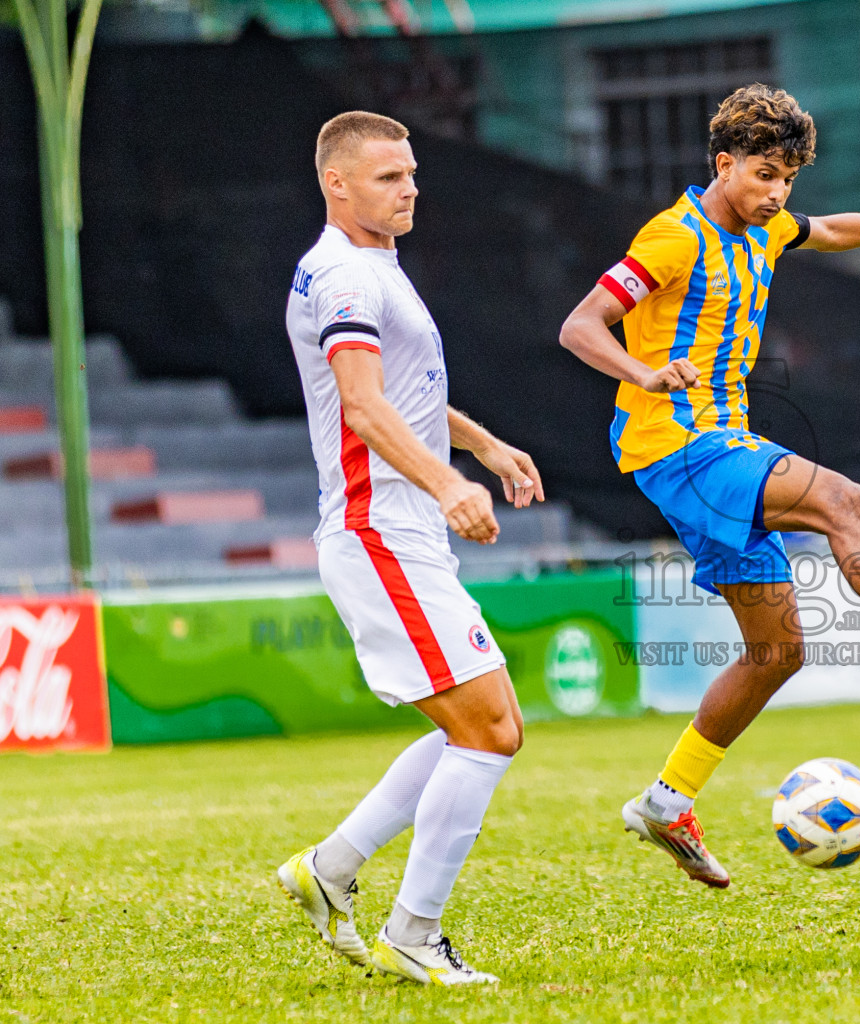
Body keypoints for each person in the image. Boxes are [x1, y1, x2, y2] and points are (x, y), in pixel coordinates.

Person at [559, 84, 860, 889]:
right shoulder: (674, 237)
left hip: (712, 447)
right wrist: (643, 372)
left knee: (778, 650)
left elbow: (834, 229)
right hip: (678, 443)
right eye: (764, 175)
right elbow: (580, 325)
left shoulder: (767, 226)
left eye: (787, 179)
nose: (777, 194)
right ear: (724, 164)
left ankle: (666, 800)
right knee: (842, 499)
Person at [276, 111, 545, 986]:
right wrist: (446, 482)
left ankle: (331, 868)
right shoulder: (345, 278)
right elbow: (362, 405)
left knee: (484, 724)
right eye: (389, 177)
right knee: (490, 729)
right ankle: (414, 933)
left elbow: (404, 394)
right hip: (379, 529)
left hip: (398, 532)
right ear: (337, 183)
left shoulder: (370, 268)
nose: (411, 189)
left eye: (413, 173)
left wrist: (484, 445)